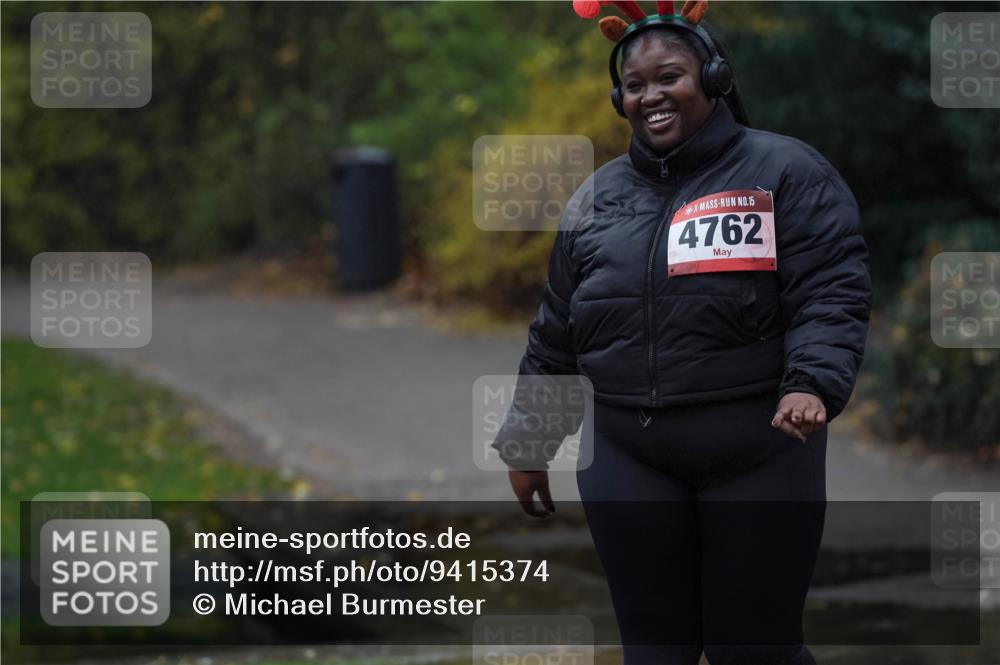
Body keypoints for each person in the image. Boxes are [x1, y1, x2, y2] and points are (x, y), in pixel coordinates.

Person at [491, 1, 873, 663]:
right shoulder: (596, 199)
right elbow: (557, 327)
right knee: (653, 649)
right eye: (635, 86)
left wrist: (810, 381)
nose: (651, 96)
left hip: (759, 450)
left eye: (669, 77)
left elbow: (831, 288)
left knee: (756, 648)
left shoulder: (787, 172)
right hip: (626, 457)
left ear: (714, 75)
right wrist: (528, 439)